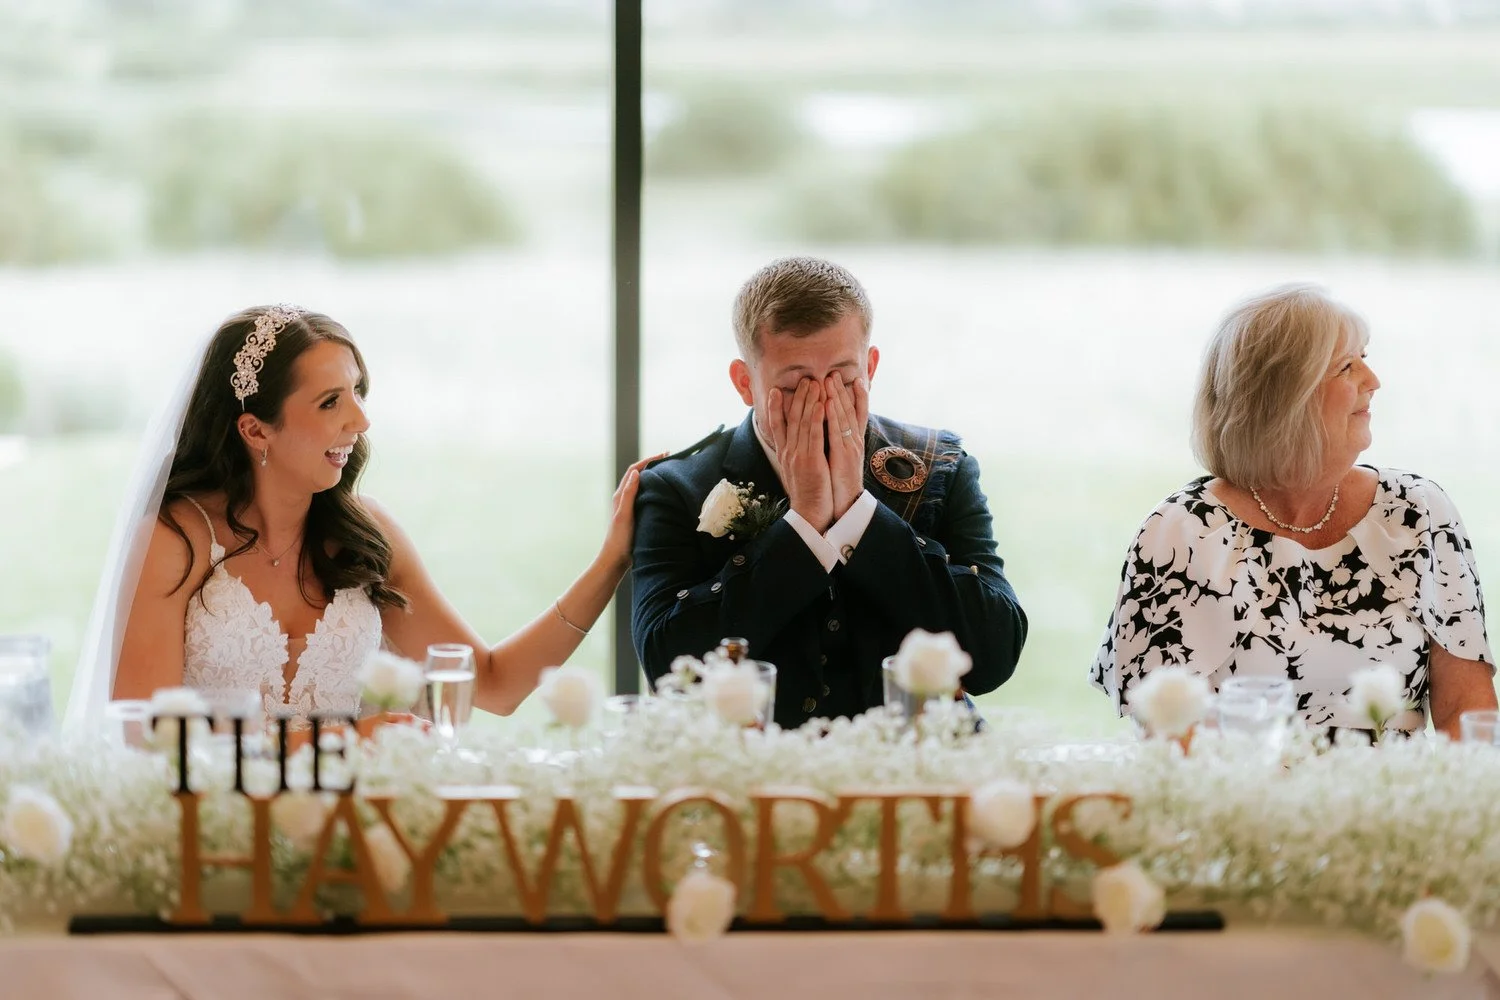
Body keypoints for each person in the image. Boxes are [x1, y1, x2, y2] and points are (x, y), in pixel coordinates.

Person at [66, 304, 651, 730]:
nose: (360, 421)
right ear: (255, 429)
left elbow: (493, 686)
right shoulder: (177, 538)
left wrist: (610, 562)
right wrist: (342, 745)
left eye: (358, 391)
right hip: (217, 842)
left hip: (358, 839)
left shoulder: (366, 537)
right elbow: (148, 733)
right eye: (330, 402)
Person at [631, 257, 1027, 729]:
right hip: (755, 775)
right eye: (796, 383)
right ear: (745, 383)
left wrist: (859, 514)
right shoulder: (676, 487)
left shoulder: (940, 465)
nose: (822, 401)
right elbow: (668, 670)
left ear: (871, 366)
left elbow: (994, 655)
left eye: (842, 377)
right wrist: (804, 522)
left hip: (917, 769)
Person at [1091, 285, 1497, 739]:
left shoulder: (1417, 512)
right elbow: (1168, 740)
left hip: (1393, 804)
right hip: (1240, 805)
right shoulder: (1180, 534)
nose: (1373, 379)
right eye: (1347, 366)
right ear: (1286, 397)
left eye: (1365, 356)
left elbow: (1468, 709)